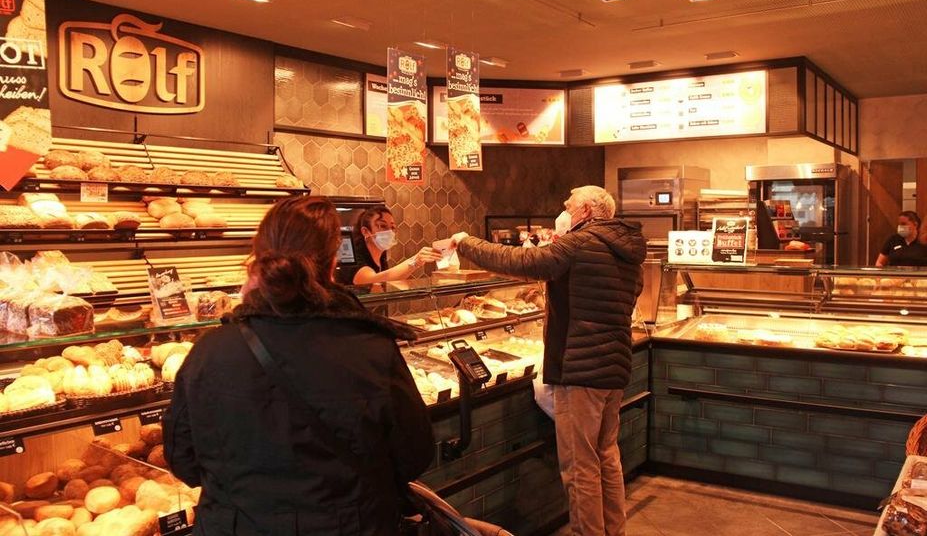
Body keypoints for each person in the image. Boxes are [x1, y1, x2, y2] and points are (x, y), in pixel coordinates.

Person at [164, 196, 434, 536]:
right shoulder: (371, 348)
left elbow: (183, 460)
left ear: (258, 259)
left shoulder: (209, 351)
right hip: (353, 526)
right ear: (333, 261)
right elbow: (415, 453)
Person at [447, 185, 646, 536]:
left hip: (580, 371)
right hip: (614, 368)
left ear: (585, 211)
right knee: (606, 458)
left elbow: (522, 263)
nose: (563, 212)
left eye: (567, 206)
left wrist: (465, 243)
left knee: (580, 467)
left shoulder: (579, 243)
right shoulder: (628, 252)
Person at [340, 205, 442, 285]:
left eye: (392, 227)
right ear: (365, 231)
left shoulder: (382, 258)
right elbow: (371, 281)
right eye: (382, 226)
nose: (389, 232)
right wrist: (415, 261)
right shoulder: (352, 257)